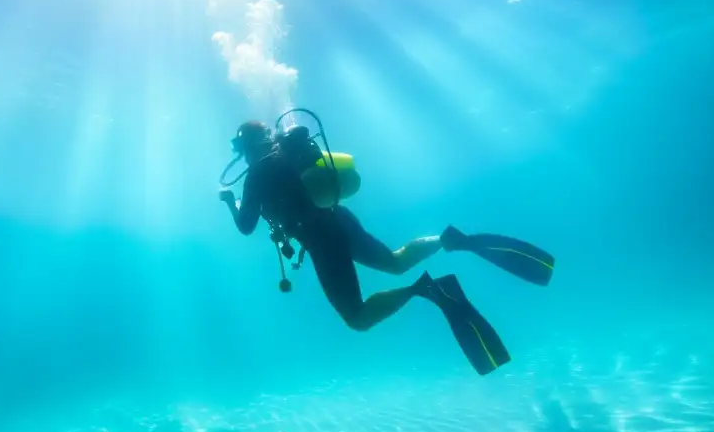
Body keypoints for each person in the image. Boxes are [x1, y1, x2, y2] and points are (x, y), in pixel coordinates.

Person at [218, 116, 556, 375]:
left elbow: (246, 227)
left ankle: (423, 289)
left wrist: (230, 203)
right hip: (340, 219)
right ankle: (448, 239)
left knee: (357, 317)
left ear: (243, 148)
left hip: (321, 241)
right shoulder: (287, 154)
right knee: (394, 262)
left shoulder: (257, 175)